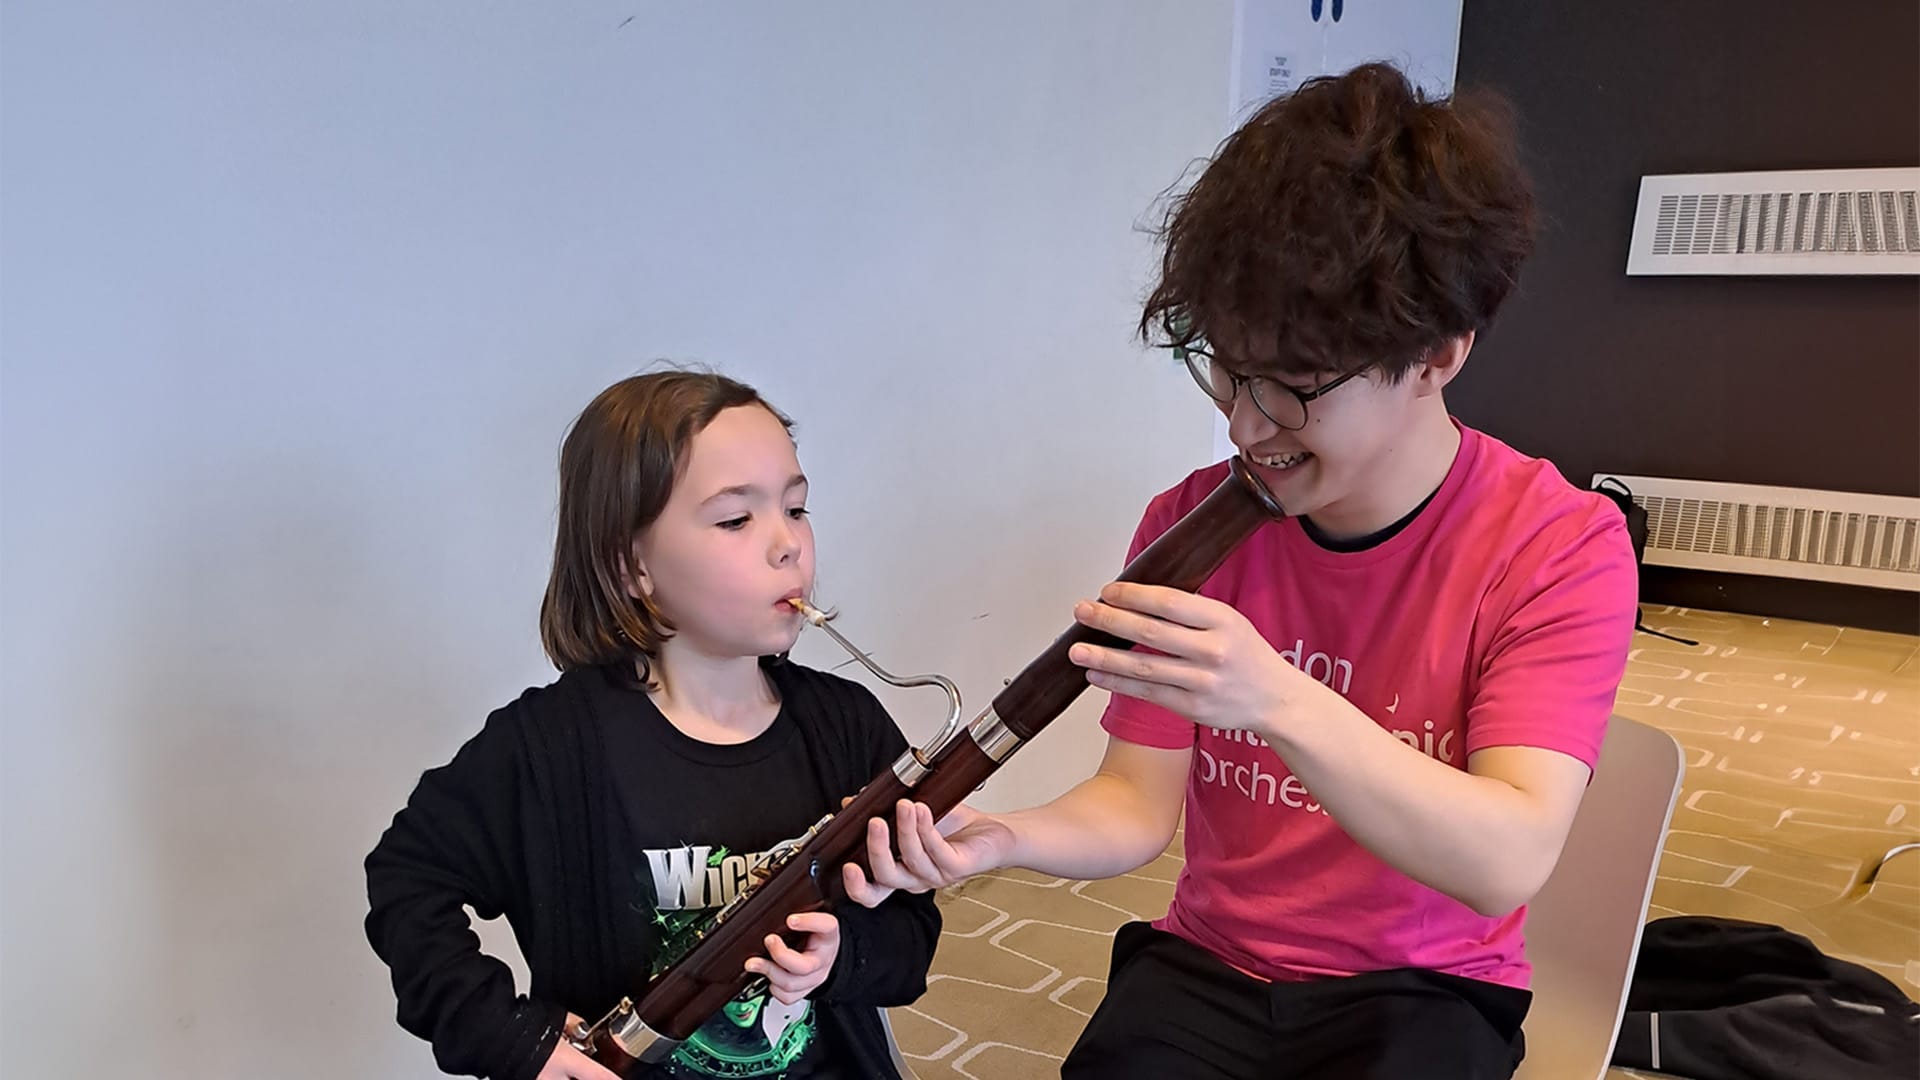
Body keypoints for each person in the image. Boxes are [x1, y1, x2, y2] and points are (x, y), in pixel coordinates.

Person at [847, 62, 1639, 1079]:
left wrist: (1274, 698)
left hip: (1425, 988)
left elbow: (1505, 859)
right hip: (1209, 964)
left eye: (1294, 386)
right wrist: (1004, 836)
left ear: (1440, 352)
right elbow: (1136, 804)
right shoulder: (1188, 525)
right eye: (1226, 368)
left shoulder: (1556, 545)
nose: (1245, 425)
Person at [365, 369, 939, 1080]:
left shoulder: (846, 726)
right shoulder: (548, 748)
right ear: (631, 565)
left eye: (796, 508)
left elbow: (910, 938)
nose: (787, 544)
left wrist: (841, 957)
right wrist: (508, 1036)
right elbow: (408, 877)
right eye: (736, 520)